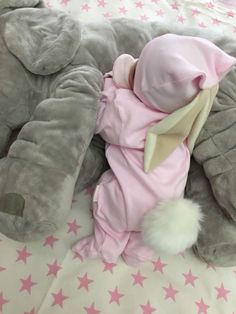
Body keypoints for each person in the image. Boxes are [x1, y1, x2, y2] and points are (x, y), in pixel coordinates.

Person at [73, 34, 236, 265]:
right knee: (145, 229)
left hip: (125, 203)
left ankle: (107, 242)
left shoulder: (124, 110)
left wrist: (111, 83)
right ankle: (140, 252)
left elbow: (99, 118)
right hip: (165, 208)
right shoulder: (184, 119)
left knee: (108, 199)